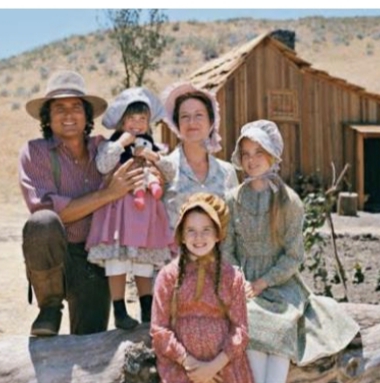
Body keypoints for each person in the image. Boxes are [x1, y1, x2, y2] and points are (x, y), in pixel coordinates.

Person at [223, 120, 360, 383]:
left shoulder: (288, 202)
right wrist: (240, 278)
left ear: (273, 156)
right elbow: (226, 249)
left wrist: (264, 282)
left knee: (282, 324)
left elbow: (294, 256)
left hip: (280, 282)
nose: (252, 160)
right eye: (246, 154)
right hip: (244, 282)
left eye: (259, 152)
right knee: (252, 321)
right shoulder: (232, 199)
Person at [19, 70, 145, 337]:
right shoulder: (34, 152)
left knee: (90, 343)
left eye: (76, 107)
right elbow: (49, 211)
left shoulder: (105, 149)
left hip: (95, 257)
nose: (68, 115)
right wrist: (108, 194)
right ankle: (49, 308)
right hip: (58, 255)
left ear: (87, 116)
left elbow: (135, 175)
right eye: (59, 108)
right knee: (42, 223)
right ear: (47, 117)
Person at [151, 192, 259, 383]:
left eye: (206, 230)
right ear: (181, 234)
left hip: (224, 369)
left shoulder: (231, 277)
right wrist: (191, 365)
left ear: (218, 234)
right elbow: (159, 329)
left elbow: (240, 330)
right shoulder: (168, 276)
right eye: (191, 231)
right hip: (181, 369)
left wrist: (213, 366)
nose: (198, 238)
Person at [85, 87, 176, 330]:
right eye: (131, 118)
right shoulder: (111, 145)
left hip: (146, 213)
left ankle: (147, 309)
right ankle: (120, 310)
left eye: (142, 119)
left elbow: (170, 172)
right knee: (117, 260)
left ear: (149, 122)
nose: (137, 124)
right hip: (119, 212)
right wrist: (121, 143)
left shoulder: (153, 148)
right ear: (121, 121)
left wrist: (153, 157)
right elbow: (103, 165)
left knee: (144, 262)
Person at [160, 82, 239, 230]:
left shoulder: (227, 172)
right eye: (185, 116)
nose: (192, 122)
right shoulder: (164, 168)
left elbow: (235, 222)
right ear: (177, 125)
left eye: (199, 115)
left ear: (211, 122)